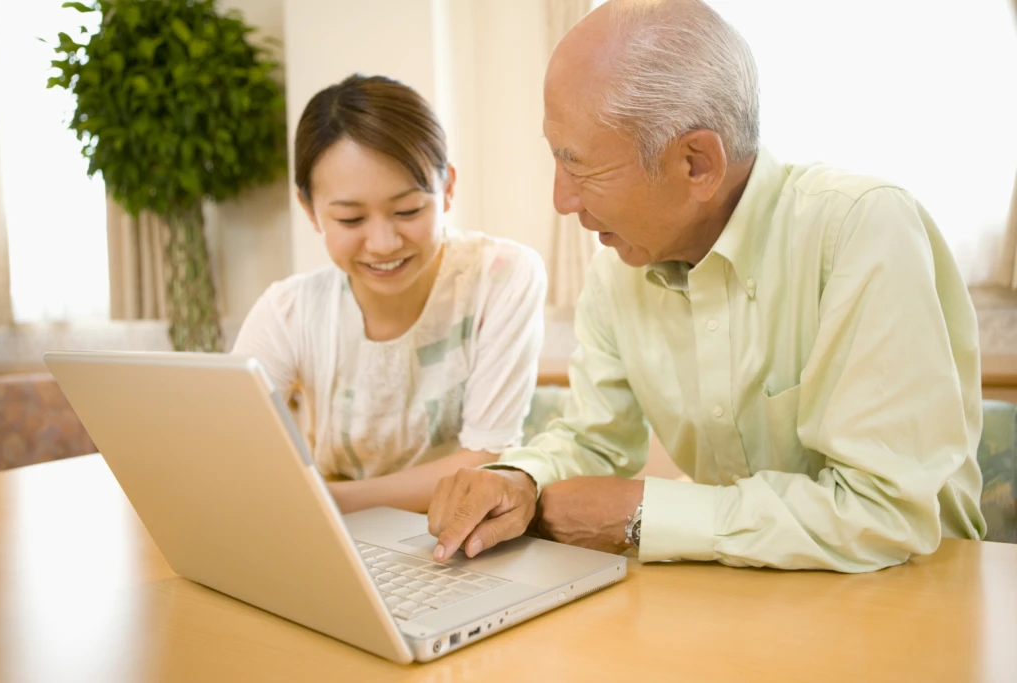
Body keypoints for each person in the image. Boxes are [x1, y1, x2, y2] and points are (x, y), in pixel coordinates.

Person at [427, 0, 986, 572]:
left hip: (913, 595)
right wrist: (519, 480)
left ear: (697, 163)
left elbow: (885, 515)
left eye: (582, 168)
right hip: (739, 600)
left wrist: (642, 512)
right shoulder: (616, 271)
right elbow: (595, 441)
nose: (561, 201)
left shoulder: (860, 228)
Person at [233, 74, 546, 514]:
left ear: (448, 188)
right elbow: (233, 449)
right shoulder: (291, 311)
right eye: (350, 220)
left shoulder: (501, 276)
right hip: (336, 538)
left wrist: (328, 499)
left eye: (407, 211)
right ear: (310, 210)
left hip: (464, 531)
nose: (382, 243)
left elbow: (485, 462)